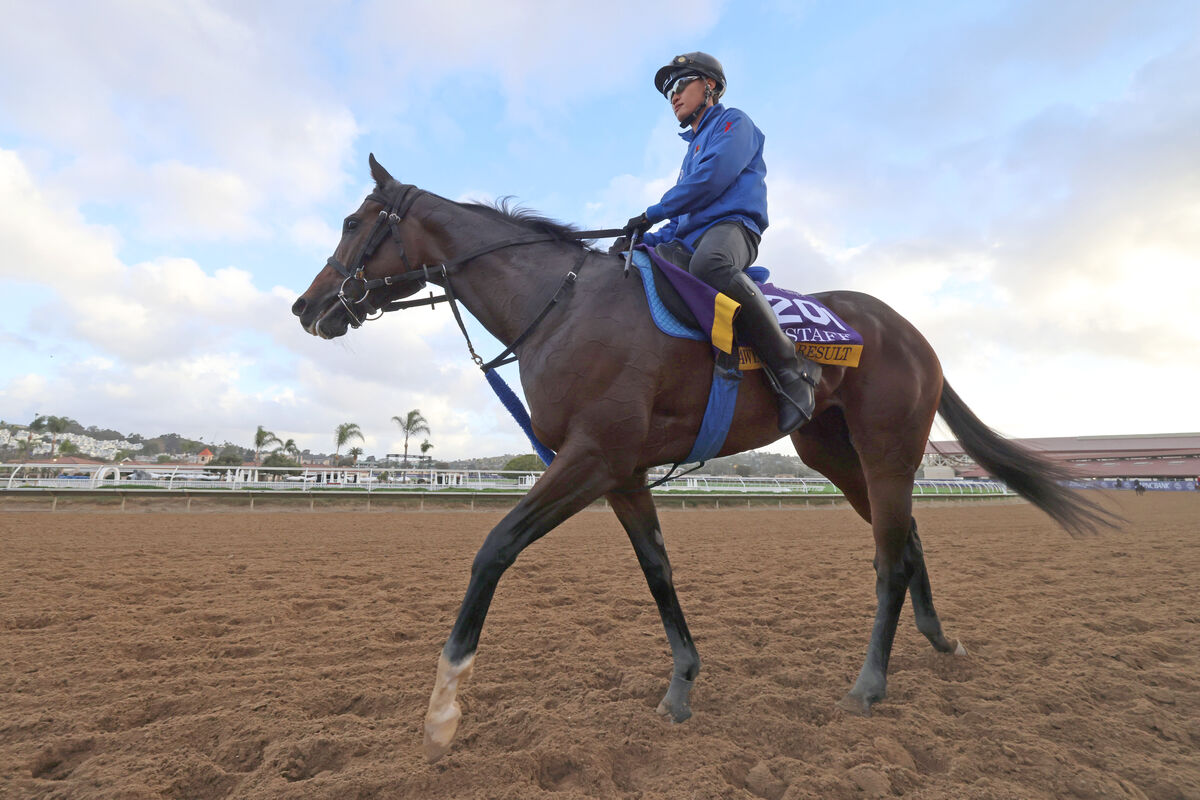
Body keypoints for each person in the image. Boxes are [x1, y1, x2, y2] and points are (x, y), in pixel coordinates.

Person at [613, 52, 821, 433]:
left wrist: (651, 212)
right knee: (640, 268)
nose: (673, 97)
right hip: (691, 239)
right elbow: (677, 221)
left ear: (709, 85)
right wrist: (636, 239)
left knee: (710, 266)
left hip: (733, 228)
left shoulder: (733, 122)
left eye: (679, 85)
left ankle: (792, 370)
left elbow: (712, 178)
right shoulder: (689, 151)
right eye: (667, 93)